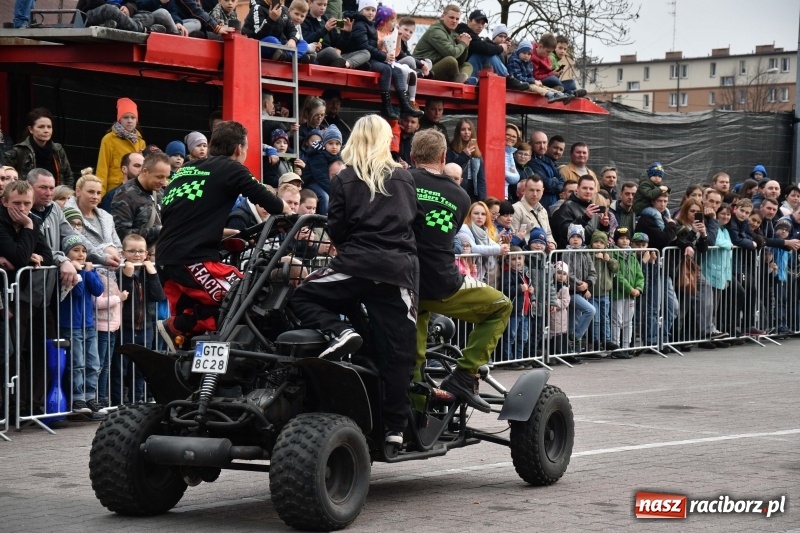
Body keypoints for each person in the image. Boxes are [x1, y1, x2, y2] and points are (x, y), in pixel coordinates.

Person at [288, 115, 417, 446]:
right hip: (396, 272)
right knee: (399, 352)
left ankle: (341, 331)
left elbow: (337, 228)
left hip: (356, 265)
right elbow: (410, 219)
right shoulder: (404, 177)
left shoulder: (345, 177)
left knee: (302, 296)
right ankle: (394, 429)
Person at [156, 121, 290, 351]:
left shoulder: (185, 171)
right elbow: (271, 202)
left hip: (166, 260)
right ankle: (176, 326)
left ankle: (199, 370)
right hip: (193, 259)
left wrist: (229, 235)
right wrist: (291, 214)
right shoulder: (230, 167)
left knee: (206, 322)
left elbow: (184, 219)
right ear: (239, 148)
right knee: (246, 294)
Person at [409, 128, 512, 413]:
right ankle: (465, 374)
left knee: (414, 357)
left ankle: (415, 419)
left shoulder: (401, 181)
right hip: (442, 283)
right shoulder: (459, 196)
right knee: (501, 306)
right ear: (443, 157)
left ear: (412, 155)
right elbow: (442, 236)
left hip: (405, 283)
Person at [58, 234, 106, 417]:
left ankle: (90, 396)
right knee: (77, 363)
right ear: (67, 254)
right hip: (71, 325)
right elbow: (77, 292)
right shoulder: (68, 273)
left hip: (88, 324)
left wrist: (89, 272)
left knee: (93, 363)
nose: (81, 255)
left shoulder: (87, 270)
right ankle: (78, 398)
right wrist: (81, 272)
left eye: (84, 251)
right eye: (76, 251)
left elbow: (98, 290)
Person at [111, 152, 170, 254]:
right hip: (138, 259)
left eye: (166, 177)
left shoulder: (160, 192)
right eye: (160, 177)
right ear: (145, 171)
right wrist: (159, 231)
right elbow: (121, 234)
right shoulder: (125, 194)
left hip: (162, 254)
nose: (164, 182)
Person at [456, 10, 528, 91]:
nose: (480, 26)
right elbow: (483, 48)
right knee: (483, 54)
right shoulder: (465, 33)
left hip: (466, 71)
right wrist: (500, 48)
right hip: (459, 71)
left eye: (482, 23)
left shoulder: (475, 36)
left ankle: (507, 79)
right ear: (469, 22)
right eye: (477, 22)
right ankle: (508, 79)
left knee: (484, 54)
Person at [65, 169, 123, 269]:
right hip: (84, 270)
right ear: (78, 191)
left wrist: (117, 259)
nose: (95, 197)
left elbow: (118, 245)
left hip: (112, 270)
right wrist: (104, 256)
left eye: (99, 193)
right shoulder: (67, 214)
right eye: (91, 192)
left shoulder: (106, 216)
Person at [4, 108, 73, 188]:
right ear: (31, 129)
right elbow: (6, 178)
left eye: (49, 127)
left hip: (54, 198)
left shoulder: (58, 150)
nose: (46, 130)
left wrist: (64, 196)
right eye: (41, 127)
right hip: (27, 197)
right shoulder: (18, 151)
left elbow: (68, 177)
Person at [96, 98, 147, 196]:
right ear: (119, 119)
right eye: (125, 117)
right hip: (114, 189)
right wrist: (100, 194)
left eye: (133, 117)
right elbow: (102, 168)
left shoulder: (140, 141)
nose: (129, 121)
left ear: (137, 120)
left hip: (135, 189)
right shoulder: (109, 139)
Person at [412, 4, 473, 83]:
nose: (454, 21)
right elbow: (452, 53)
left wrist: (465, 46)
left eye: (457, 19)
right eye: (451, 17)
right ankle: (458, 81)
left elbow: (460, 61)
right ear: (442, 17)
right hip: (425, 70)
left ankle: (460, 79)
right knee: (450, 61)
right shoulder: (436, 31)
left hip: (436, 67)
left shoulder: (452, 33)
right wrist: (462, 44)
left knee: (467, 65)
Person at [552, 174, 610, 250]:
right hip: (571, 255)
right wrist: (585, 218)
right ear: (578, 189)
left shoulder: (594, 208)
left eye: (591, 189)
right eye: (585, 188)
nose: (588, 191)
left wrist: (604, 226)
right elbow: (564, 231)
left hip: (589, 255)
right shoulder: (567, 206)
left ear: (595, 190)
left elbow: (597, 236)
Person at [506, 40, 571, 102]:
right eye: (524, 53)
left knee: (540, 86)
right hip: (519, 84)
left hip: (526, 83)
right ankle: (550, 95)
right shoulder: (514, 61)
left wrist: (535, 81)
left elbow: (530, 76)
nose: (526, 56)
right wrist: (533, 81)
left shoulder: (528, 62)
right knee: (532, 86)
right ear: (519, 52)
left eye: (529, 54)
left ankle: (560, 94)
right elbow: (517, 78)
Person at [446, 118, 486, 203]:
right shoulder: (451, 150)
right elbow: (448, 169)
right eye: (463, 129)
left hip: (473, 191)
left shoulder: (477, 152)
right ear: (458, 132)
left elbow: (481, 179)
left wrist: (483, 200)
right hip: (457, 189)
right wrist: (463, 156)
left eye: (469, 129)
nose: (466, 132)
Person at [527, 131, 564, 210]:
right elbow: (545, 183)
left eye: (544, 142)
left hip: (554, 205)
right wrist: (555, 182)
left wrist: (554, 184)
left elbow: (561, 181)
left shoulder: (549, 160)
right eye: (538, 143)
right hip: (540, 205)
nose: (542, 146)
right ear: (531, 144)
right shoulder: (530, 161)